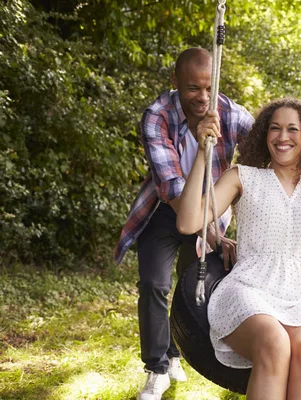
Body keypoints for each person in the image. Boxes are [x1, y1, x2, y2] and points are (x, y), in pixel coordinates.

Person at [177, 98, 301, 399]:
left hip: (300, 295)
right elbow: (188, 220)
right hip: (249, 288)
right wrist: (202, 157)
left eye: (292, 129)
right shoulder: (243, 177)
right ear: (263, 134)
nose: (282, 137)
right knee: (274, 342)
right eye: (275, 128)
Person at [113, 47, 254, 400]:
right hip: (165, 209)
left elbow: (267, 152)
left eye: (208, 87)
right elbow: (173, 189)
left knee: (193, 287)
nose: (203, 97)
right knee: (153, 283)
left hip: (210, 210)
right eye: (192, 88)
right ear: (175, 81)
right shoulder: (157, 116)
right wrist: (213, 236)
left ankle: (178, 351)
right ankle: (158, 367)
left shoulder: (231, 114)